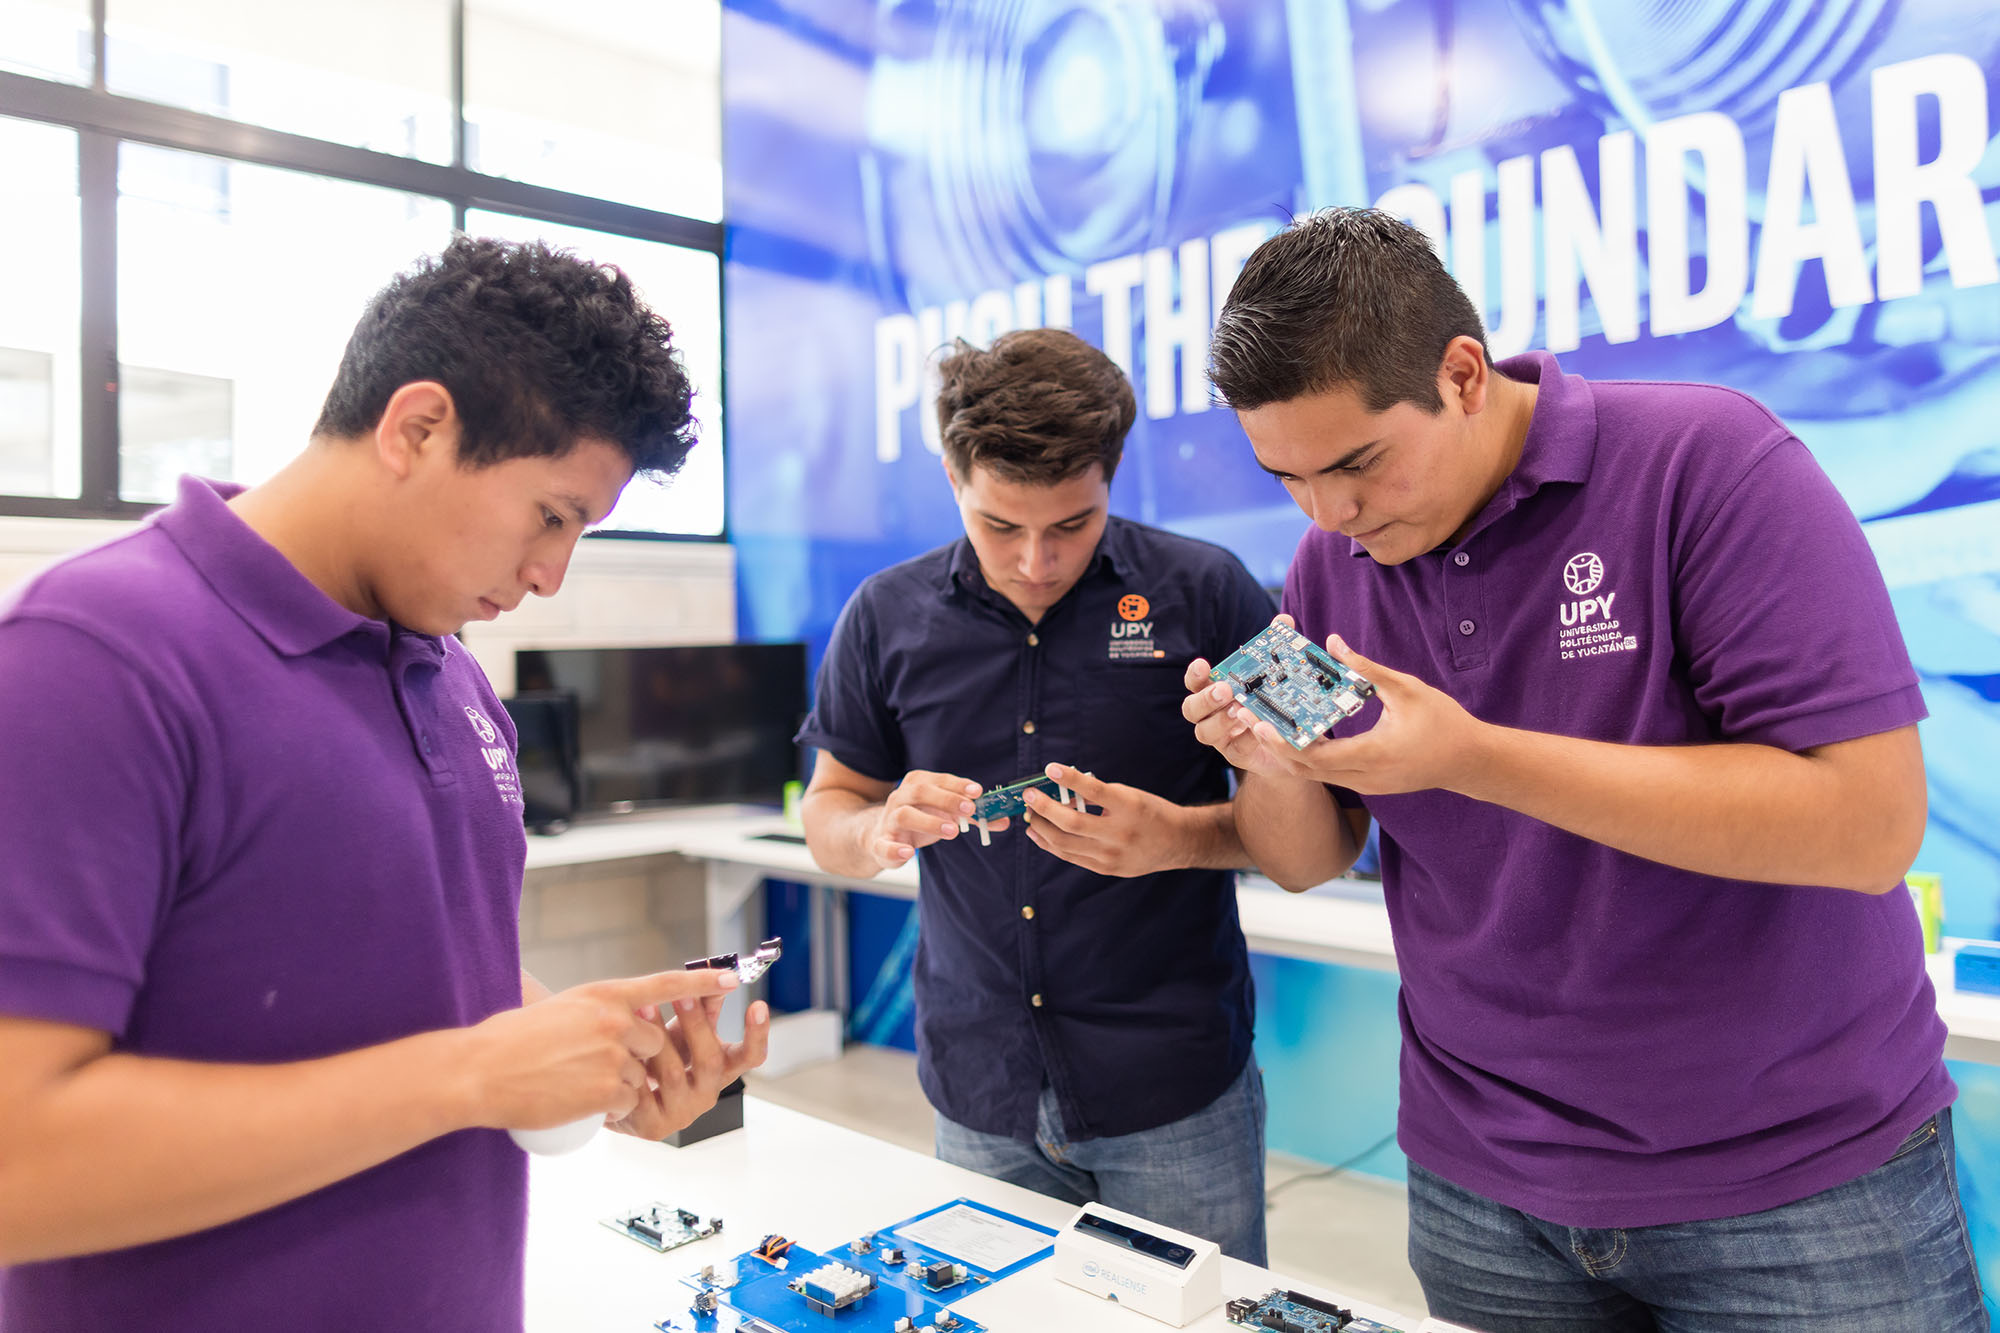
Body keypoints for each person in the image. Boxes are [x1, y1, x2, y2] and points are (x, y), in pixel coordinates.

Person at [1184, 207, 1979, 1330]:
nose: (1331, 513)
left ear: (1462, 375)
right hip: (1482, 1187)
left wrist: (1474, 756)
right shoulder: (1330, 563)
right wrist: (1267, 767)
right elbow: (1313, 857)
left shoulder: (1706, 462)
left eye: (1357, 463)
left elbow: (1867, 827)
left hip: (1796, 1180)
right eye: (1287, 478)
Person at [0, 236, 770, 1330]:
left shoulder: (450, 671)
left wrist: (589, 1054)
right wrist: (472, 1075)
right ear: (418, 428)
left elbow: (412, 978)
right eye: (552, 515)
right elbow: (19, 1162)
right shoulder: (92, 657)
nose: (551, 575)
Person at [797, 328, 1277, 1262]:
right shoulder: (884, 616)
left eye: (1070, 525)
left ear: (1112, 475)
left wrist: (1178, 837)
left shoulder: (1208, 591)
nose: (1034, 561)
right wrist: (876, 828)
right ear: (952, 477)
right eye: (999, 527)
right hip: (982, 1089)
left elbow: (1313, 837)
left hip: (1173, 1088)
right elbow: (830, 808)